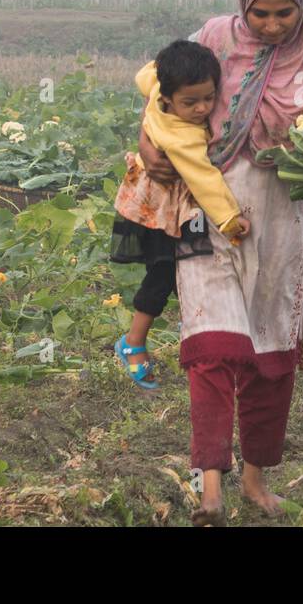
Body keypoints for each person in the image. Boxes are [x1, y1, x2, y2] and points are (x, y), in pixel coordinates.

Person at [136, 0, 303, 526]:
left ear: (300, 4)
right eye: (260, 13)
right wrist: (148, 147)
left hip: (281, 206)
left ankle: (256, 481)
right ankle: (211, 487)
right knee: (214, 346)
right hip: (203, 199)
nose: (270, 26)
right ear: (243, 4)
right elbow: (162, 96)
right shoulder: (214, 36)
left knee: (268, 349)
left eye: (283, 13)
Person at [110, 40, 251, 390]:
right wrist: (230, 219)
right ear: (170, 97)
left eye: (209, 97)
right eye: (191, 102)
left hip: (158, 199)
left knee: (179, 270)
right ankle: (133, 343)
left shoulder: (159, 83)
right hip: (163, 206)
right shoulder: (183, 136)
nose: (203, 108)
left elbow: (144, 74)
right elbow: (205, 180)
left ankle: (184, 334)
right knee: (164, 273)